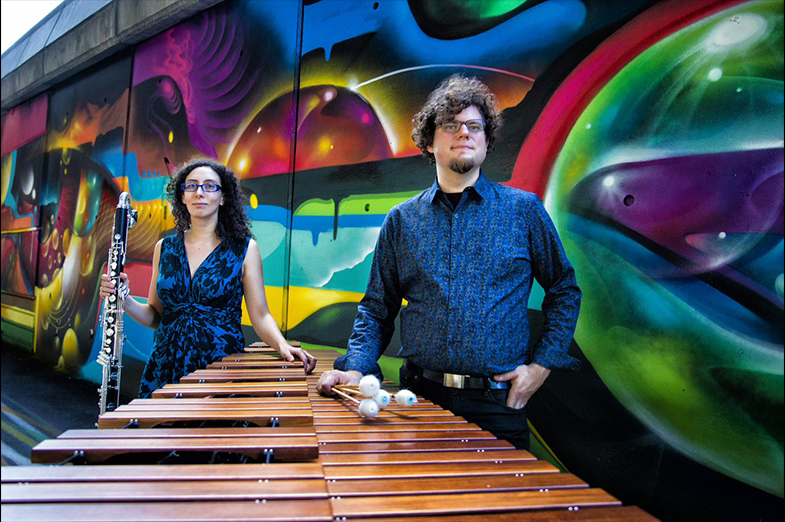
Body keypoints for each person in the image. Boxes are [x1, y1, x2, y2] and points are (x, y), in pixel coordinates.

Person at [316, 75, 581, 449]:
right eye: (451, 125)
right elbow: (377, 308)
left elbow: (564, 291)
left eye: (475, 126)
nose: (465, 133)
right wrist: (356, 365)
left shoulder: (524, 212)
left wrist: (541, 367)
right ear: (429, 141)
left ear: (487, 142)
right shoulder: (401, 220)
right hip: (418, 399)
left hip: (498, 403)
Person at [100, 158, 316, 398]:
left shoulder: (244, 249)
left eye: (209, 186)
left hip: (220, 368)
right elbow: (156, 316)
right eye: (191, 186)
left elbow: (261, 315)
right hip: (165, 367)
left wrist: (282, 345)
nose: (199, 192)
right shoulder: (164, 248)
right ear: (182, 197)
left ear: (223, 197)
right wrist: (124, 298)